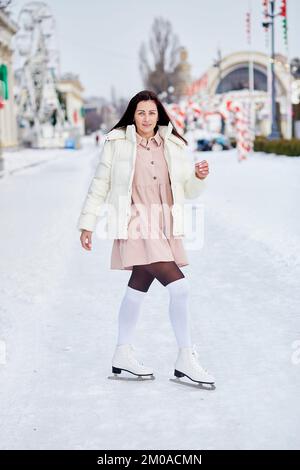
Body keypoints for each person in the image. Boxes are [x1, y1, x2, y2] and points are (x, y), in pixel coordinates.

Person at [78, 90, 215, 385]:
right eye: (141, 113)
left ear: (159, 115)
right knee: (179, 288)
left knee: (138, 286)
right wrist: (87, 223)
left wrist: (198, 178)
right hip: (136, 222)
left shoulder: (173, 144)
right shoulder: (117, 144)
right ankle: (185, 358)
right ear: (132, 115)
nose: (146, 118)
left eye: (151, 113)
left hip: (165, 223)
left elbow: (186, 190)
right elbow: (100, 184)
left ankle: (121, 354)